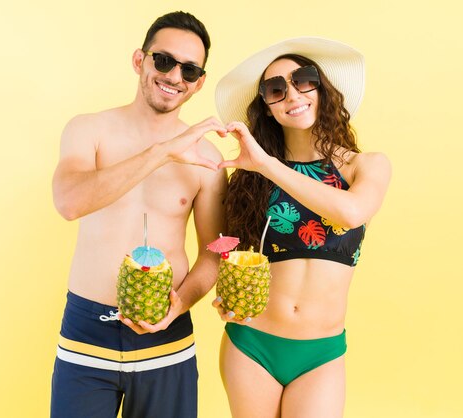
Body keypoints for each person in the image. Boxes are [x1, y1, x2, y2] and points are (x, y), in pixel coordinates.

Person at [50, 11, 227, 418]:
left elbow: (213, 252)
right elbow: (69, 202)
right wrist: (163, 149)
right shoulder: (88, 130)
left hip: (167, 339)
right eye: (163, 60)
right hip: (86, 336)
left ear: (198, 82)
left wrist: (180, 304)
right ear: (139, 61)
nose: (173, 75)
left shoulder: (208, 160)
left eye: (189, 69)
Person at [212, 37, 391, 417]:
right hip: (253, 344)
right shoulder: (249, 177)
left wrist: (266, 164)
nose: (292, 94)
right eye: (276, 89)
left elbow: (351, 212)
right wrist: (225, 296)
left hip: (321, 352)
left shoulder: (367, 166)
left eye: (303, 80)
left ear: (321, 88)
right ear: (268, 107)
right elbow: (229, 253)